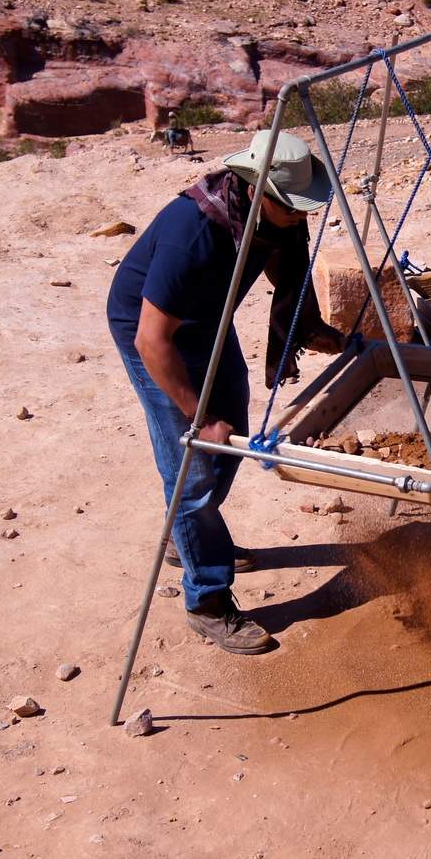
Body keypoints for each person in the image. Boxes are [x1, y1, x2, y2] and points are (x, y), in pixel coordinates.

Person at [106, 131, 344, 654]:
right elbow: (152, 340)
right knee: (195, 465)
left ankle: (186, 539)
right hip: (153, 336)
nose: (301, 218)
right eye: (293, 209)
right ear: (258, 193)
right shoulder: (195, 232)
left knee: (230, 426)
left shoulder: (274, 220)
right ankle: (208, 602)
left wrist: (306, 327)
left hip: (209, 321)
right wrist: (199, 415)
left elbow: (288, 270)